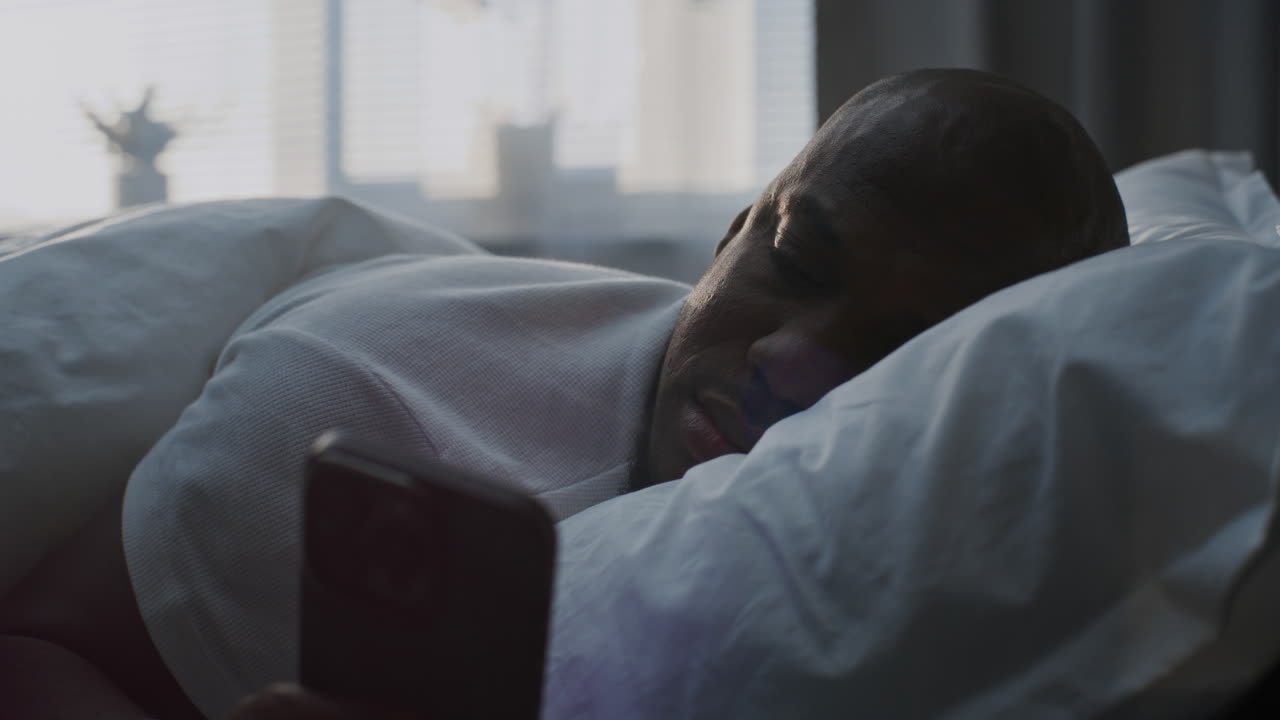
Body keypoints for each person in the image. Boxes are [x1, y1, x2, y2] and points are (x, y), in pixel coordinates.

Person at [0, 68, 1128, 719]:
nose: (790, 361)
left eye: (899, 347)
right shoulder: (344, 400)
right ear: (733, 231)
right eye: (795, 260)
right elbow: (39, 650)